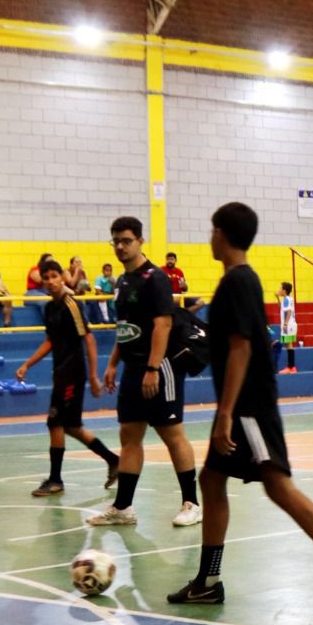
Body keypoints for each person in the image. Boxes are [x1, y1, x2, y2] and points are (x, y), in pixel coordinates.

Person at [167, 201, 313, 613]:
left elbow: (241, 348)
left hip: (248, 406)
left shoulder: (239, 281)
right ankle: (208, 581)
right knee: (211, 480)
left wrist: (225, 412)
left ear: (222, 234)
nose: (209, 237)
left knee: (277, 486)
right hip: (243, 404)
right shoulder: (237, 281)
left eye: (212, 230)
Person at [88, 216, 202, 529]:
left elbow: (162, 325)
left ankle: (192, 503)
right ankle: (123, 507)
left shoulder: (156, 278)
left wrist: (153, 368)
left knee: (171, 433)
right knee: (129, 436)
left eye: (126, 240)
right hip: (132, 367)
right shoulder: (122, 282)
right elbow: (125, 327)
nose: (120, 247)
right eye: (115, 241)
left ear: (140, 241)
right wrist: (113, 362)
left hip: (160, 366)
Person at [15, 259, 121, 496]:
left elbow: (89, 339)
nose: (51, 281)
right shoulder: (49, 308)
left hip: (72, 373)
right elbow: (50, 342)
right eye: (46, 278)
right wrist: (27, 364)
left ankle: (55, 480)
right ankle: (113, 460)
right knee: (72, 427)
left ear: (62, 278)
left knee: (55, 422)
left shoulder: (71, 304)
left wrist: (93, 376)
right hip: (61, 372)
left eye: (55, 276)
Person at [276, 282, 298, 373]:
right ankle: (291, 367)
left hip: (288, 325)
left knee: (288, 345)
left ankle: (291, 367)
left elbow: (288, 312)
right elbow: (281, 308)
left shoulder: (286, 300)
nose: (279, 290)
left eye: (280, 288)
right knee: (289, 345)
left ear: (284, 291)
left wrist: (285, 324)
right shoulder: (288, 299)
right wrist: (277, 298)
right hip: (291, 324)